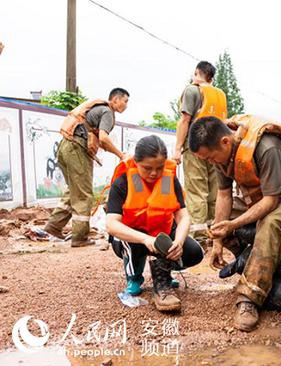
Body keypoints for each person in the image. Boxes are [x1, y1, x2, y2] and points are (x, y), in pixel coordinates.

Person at [188, 114, 281, 331]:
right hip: (258, 192)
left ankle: (250, 297)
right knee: (219, 221)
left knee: (269, 223)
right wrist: (219, 239)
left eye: (210, 158)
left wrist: (234, 224)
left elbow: (271, 201)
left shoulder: (266, 146)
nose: (210, 163)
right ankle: (249, 261)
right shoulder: (222, 154)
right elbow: (224, 195)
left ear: (225, 142)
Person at [106, 135, 204, 312]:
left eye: (159, 168)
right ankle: (135, 276)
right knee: (131, 242)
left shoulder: (169, 180)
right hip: (132, 239)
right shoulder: (123, 182)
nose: (154, 173)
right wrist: (145, 239)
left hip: (162, 236)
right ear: (136, 162)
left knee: (195, 253)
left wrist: (179, 242)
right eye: (147, 168)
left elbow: (183, 217)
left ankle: (163, 269)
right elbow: (112, 224)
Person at [44, 88, 129, 247]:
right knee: (83, 194)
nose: (126, 105)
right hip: (77, 148)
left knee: (74, 191)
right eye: (125, 101)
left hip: (65, 147)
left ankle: (53, 227)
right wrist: (121, 155)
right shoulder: (107, 112)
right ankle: (80, 237)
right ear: (115, 99)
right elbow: (103, 138)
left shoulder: (97, 109)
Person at [172, 61, 227, 246]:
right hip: (217, 150)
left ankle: (199, 237)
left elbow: (185, 120)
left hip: (196, 148)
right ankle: (213, 234)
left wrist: (177, 148)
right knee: (215, 191)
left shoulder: (192, 90)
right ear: (211, 77)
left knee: (197, 192)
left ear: (197, 73)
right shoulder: (220, 95)